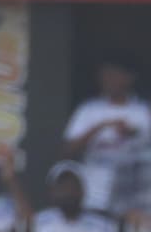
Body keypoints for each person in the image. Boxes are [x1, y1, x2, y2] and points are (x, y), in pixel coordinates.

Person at [62, 54, 150, 215]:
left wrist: (134, 133)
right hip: (95, 194)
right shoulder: (88, 110)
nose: (107, 80)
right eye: (105, 75)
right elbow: (68, 151)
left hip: (134, 197)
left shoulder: (143, 111)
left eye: (113, 75)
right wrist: (100, 127)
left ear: (128, 78)